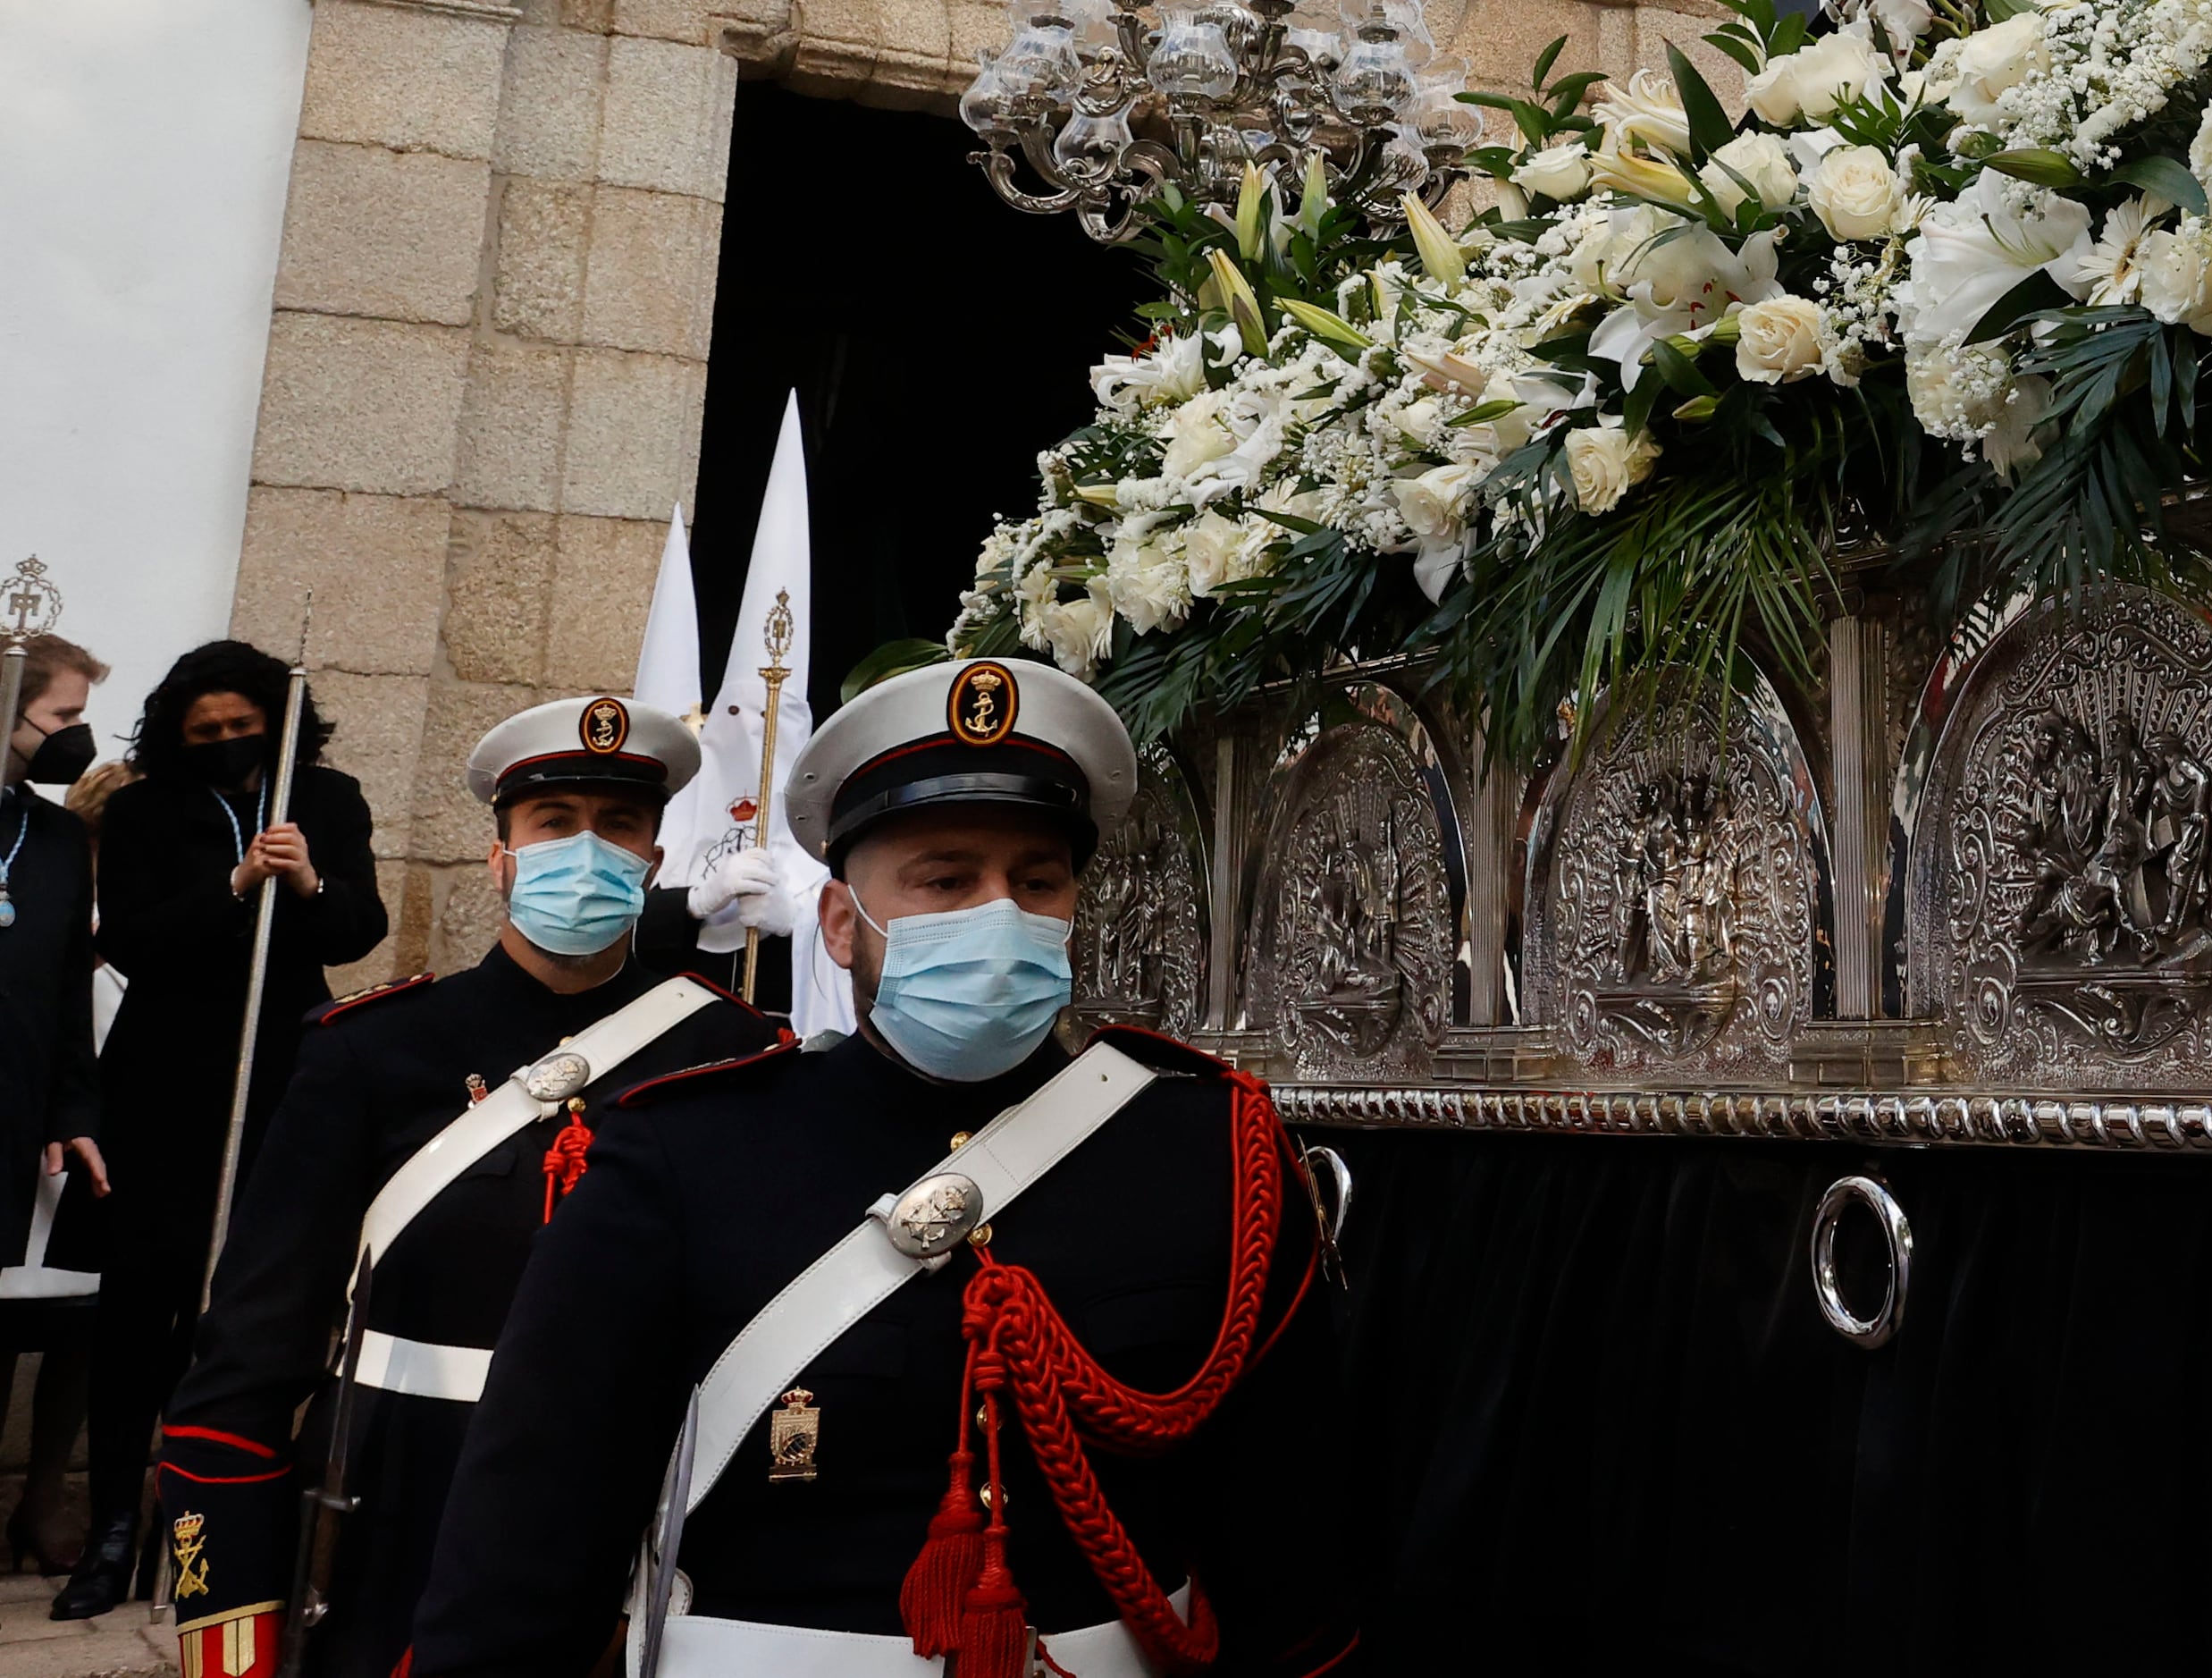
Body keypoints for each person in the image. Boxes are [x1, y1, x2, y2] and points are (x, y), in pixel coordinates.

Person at [408, 656, 1350, 1678]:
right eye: (946, 880)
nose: (1000, 913)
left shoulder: (1207, 1147)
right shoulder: (684, 1153)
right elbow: (529, 1539)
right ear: (844, 925)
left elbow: (1291, 1529)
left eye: (1036, 881)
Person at [148, 694, 780, 1677]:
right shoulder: (373, 1050)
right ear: (501, 860)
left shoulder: (732, 1056)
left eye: (618, 826)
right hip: (394, 1502)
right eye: (554, 824)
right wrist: (231, 1632)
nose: (589, 849)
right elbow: (249, 1356)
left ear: (654, 865)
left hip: (626, 1510)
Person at [55, 651, 386, 1621]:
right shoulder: (149, 810)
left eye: (242, 725)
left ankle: (226, 1521)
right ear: (176, 737)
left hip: (285, 1078)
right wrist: (237, 885)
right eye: (204, 733)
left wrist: (310, 883)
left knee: (259, 1304)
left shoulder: (326, 797)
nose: (226, 745)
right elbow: (131, 940)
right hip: (165, 1088)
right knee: (137, 1313)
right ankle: (117, 1525)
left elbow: (356, 926)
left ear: (279, 723)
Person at [0, 636, 105, 1573]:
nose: (78, 736)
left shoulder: (59, 836)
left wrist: (73, 1108)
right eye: (65, 716)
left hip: (13, 1114)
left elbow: (71, 985)